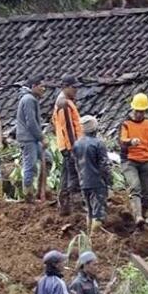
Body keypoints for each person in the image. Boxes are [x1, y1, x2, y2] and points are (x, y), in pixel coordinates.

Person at [119, 93, 148, 225]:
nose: (139, 114)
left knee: (147, 194)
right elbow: (122, 141)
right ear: (133, 109)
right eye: (137, 111)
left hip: (145, 161)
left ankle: (142, 216)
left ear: (145, 111)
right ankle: (138, 216)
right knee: (135, 187)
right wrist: (130, 141)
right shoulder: (126, 123)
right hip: (130, 161)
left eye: (142, 111)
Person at [73, 116, 112, 230]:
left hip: (83, 182)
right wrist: (109, 180)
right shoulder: (98, 144)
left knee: (89, 212)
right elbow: (104, 166)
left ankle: (88, 237)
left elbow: (76, 164)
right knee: (98, 214)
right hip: (97, 183)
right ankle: (95, 239)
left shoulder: (76, 144)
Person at [52, 75, 84, 216]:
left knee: (66, 176)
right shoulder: (64, 104)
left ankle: (64, 206)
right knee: (74, 175)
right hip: (70, 146)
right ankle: (76, 206)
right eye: (73, 87)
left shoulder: (64, 102)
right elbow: (68, 129)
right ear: (65, 87)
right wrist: (74, 147)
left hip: (66, 145)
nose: (76, 89)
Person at [15, 77, 46, 201]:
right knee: (30, 165)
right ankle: (28, 194)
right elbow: (31, 122)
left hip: (32, 138)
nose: (44, 89)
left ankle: (42, 189)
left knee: (47, 159)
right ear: (33, 86)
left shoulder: (31, 99)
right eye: (41, 86)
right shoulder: (28, 100)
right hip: (28, 138)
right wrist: (42, 137)